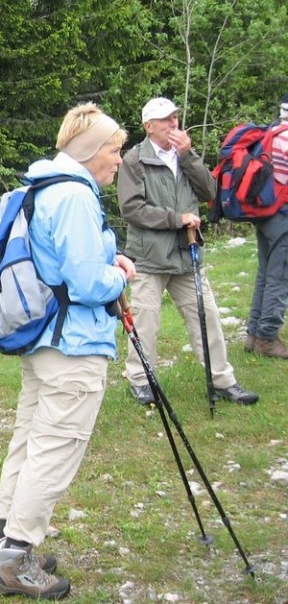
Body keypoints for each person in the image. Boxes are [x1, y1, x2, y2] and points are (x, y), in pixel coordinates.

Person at [0, 103, 135, 600]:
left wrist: (100, 260)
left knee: (30, 440)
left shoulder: (41, 186)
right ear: (92, 151)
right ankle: (14, 558)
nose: (120, 159)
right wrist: (120, 273)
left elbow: (64, 261)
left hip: (43, 340)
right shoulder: (74, 196)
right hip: (72, 344)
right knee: (55, 448)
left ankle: (6, 538)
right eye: (115, 150)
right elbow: (89, 282)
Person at [117, 97, 259, 405]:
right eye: (165, 119)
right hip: (149, 257)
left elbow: (210, 192)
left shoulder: (184, 155)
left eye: (175, 118)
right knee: (146, 320)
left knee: (206, 315)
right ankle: (142, 381)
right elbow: (132, 209)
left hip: (186, 251)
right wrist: (176, 219)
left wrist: (189, 155)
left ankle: (222, 380)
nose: (173, 124)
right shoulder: (134, 159)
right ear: (148, 126)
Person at [245, 93, 288, 359]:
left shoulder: (271, 131)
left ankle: (253, 334)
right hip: (283, 215)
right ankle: (267, 338)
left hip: (265, 214)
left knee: (265, 274)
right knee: (280, 277)